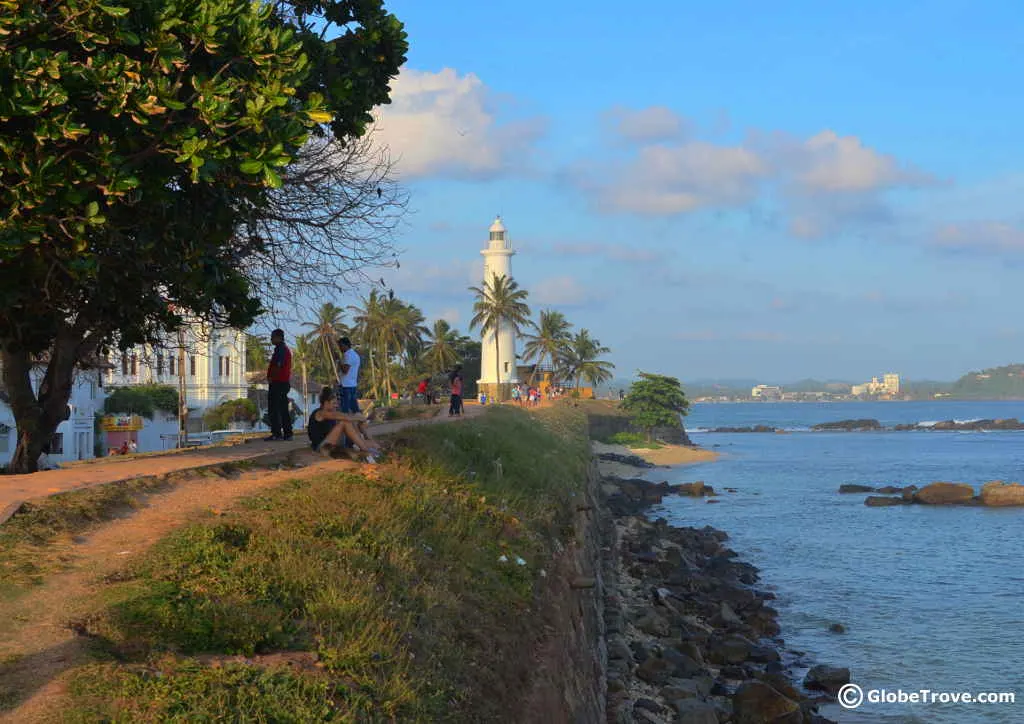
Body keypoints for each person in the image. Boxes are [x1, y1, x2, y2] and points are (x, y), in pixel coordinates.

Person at [307, 386, 381, 461]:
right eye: (334, 403)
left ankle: (377, 454)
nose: (336, 405)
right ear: (326, 403)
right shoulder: (321, 413)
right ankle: (366, 451)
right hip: (322, 448)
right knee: (344, 422)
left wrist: (362, 427)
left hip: (332, 445)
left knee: (373, 444)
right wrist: (359, 417)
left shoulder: (332, 414)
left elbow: (348, 419)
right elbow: (346, 417)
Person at [265, 328, 293, 441]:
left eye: (273, 337)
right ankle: (287, 433)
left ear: (278, 337)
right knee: (282, 408)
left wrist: (272, 377)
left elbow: (279, 365)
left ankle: (277, 433)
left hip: (278, 382)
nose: (271, 339)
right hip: (281, 382)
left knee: (275, 408)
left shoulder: (281, 350)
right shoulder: (281, 349)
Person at [337, 336, 361, 414]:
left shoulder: (348, 355)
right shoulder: (354, 354)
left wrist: (338, 360)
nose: (340, 348)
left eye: (340, 346)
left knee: (345, 409)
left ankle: (347, 425)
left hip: (346, 386)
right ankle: (360, 423)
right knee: (354, 409)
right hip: (352, 385)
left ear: (345, 345)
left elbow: (345, 370)